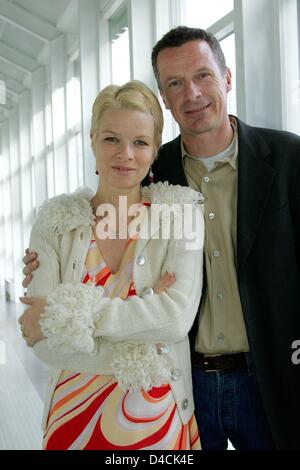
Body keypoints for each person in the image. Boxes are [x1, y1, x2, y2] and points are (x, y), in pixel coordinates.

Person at [23, 26, 300, 450]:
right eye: (175, 84)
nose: (191, 93)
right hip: (185, 378)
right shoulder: (155, 174)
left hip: (269, 375)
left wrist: (69, 314)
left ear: (227, 78)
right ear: (165, 99)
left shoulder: (289, 158)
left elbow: (171, 312)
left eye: (203, 75)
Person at [18, 80, 205, 450]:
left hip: (159, 423)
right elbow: (42, 342)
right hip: (73, 420)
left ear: (154, 152)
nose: (125, 154)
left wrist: (72, 318)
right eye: (111, 139)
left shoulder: (182, 216)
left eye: (140, 142)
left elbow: (176, 319)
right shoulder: (54, 222)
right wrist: (146, 339)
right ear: (92, 140)